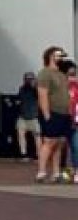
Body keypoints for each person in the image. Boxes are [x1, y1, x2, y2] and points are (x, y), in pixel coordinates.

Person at [36, 46, 72, 183]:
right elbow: (42, 94)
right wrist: (46, 115)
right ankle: (41, 171)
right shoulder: (45, 73)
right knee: (49, 141)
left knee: (59, 142)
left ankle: (56, 173)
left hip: (64, 114)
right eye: (59, 56)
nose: (62, 58)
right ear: (51, 56)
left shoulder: (62, 75)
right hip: (52, 112)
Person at [15, 71, 41, 162]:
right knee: (20, 134)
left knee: (37, 137)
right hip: (23, 116)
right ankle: (23, 154)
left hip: (33, 116)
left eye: (30, 79)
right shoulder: (22, 89)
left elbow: (38, 95)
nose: (28, 81)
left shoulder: (36, 89)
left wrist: (35, 86)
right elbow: (19, 99)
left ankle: (38, 156)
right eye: (27, 79)